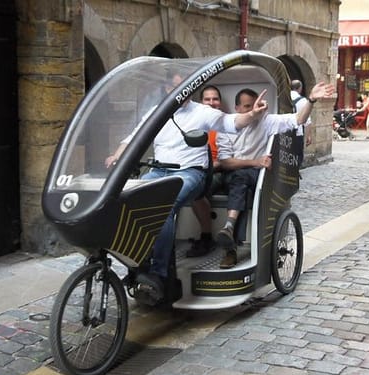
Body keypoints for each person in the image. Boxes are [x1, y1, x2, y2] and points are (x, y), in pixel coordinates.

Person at [105, 74, 268, 298]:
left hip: (191, 172)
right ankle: (137, 264)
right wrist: (116, 156)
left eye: (187, 87)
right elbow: (132, 139)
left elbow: (232, 122)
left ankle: (159, 275)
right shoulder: (157, 111)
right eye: (176, 86)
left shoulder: (201, 112)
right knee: (126, 201)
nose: (183, 91)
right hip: (158, 171)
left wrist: (252, 113)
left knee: (164, 205)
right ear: (166, 88)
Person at [216, 82, 335, 269]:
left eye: (256, 104)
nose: (254, 109)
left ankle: (229, 231)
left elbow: (298, 119)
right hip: (235, 174)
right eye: (247, 106)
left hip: (257, 175)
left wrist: (311, 100)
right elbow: (225, 162)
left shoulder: (267, 121)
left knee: (243, 178)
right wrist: (255, 161)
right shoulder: (227, 125)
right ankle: (228, 235)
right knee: (239, 179)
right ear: (237, 108)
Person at [185, 85, 226, 257]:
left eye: (215, 99)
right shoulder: (195, 123)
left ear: (220, 102)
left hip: (217, 170)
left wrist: (207, 167)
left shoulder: (225, 124)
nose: (211, 102)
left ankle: (206, 237)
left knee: (197, 189)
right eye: (207, 99)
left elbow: (225, 159)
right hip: (195, 167)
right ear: (200, 102)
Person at [290, 79, 312, 167]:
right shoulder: (303, 101)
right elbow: (307, 121)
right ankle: (295, 172)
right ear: (300, 88)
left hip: (283, 132)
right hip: (297, 133)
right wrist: (308, 136)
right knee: (297, 155)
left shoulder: (283, 98)